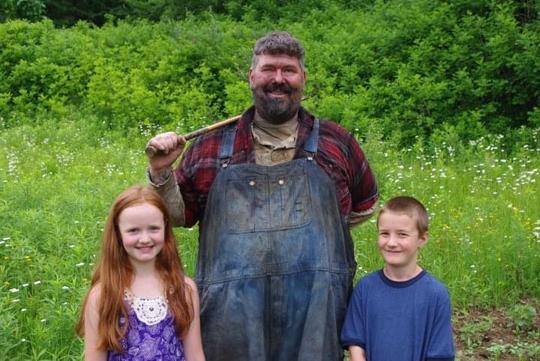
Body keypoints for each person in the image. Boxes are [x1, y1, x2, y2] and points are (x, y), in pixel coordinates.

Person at [146, 31, 379, 361]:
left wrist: (314, 240)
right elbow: (178, 216)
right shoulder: (212, 145)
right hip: (232, 324)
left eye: (289, 70)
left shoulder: (336, 143)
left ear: (303, 78)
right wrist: (160, 173)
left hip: (314, 320)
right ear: (252, 76)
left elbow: (364, 205)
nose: (279, 79)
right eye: (269, 69)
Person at [76, 185, 205, 361]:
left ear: (165, 228)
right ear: (118, 233)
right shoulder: (103, 296)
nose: (145, 239)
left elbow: (195, 355)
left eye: (153, 228)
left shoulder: (184, 289)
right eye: (133, 230)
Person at [340, 196, 455, 361]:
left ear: (422, 239)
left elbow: (440, 353)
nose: (391, 242)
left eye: (402, 234)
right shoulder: (365, 288)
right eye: (385, 233)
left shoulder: (435, 294)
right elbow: (356, 344)